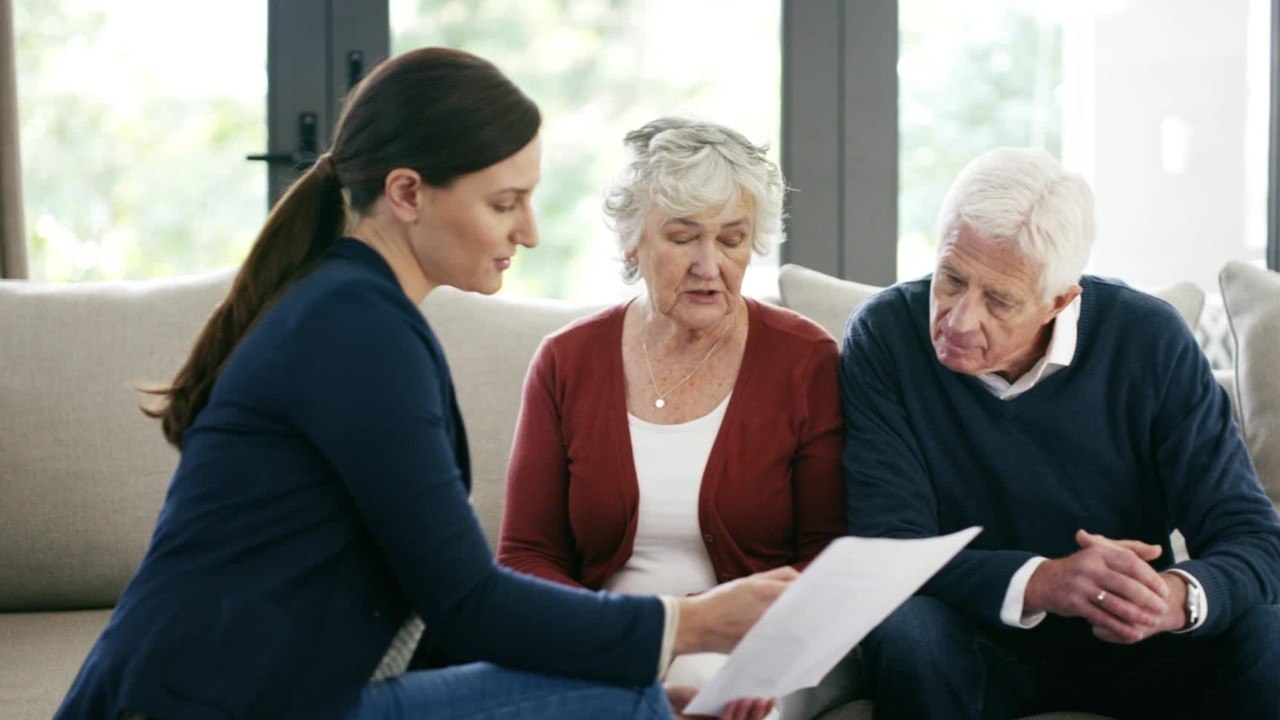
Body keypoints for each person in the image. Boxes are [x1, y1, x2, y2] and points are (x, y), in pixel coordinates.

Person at [53, 48, 797, 720]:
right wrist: (694, 624)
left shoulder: (354, 307)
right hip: (218, 705)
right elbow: (470, 601)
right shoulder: (353, 329)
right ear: (407, 193)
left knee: (626, 699)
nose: (529, 231)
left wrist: (609, 690)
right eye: (504, 203)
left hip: (265, 692)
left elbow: (434, 603)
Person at [841, 146, 1280, 719]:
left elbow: (1253, 538)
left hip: (1141, 650)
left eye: (998, 300)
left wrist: (1174, 597)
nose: (958, 319)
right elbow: (889, 548)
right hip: (974, 644)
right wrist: (1044, 581)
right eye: (950, 278)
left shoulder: (1149, 339)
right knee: (910, 633)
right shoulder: (885, 336)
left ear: (1060, 301)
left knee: (1265, 632)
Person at [497, 117, 845, 710]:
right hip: (606, 637)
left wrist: (762, 655)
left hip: (753, 641)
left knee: (708, 692)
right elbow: (526, 555)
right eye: (683, 238)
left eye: (732, 240)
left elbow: (829, 552)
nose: (709, 265)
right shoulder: (566, 361)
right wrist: (629, 642)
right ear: (633, 242)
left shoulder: (804, 359)